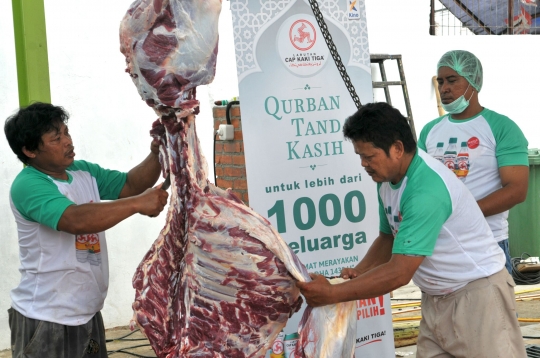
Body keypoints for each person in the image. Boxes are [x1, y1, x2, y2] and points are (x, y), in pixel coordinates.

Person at [296, 102, 526, 357]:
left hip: (477, 299)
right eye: (360, 156)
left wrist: (332, 293)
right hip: (436, 300)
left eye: (369, 156)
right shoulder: (386, 180)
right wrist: (358, 273)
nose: (363, 164)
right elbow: (387, 237)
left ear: (397, 148)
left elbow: (399, 273)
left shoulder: (425, 189)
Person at [4, 102, 169, 358]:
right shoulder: (28, 184)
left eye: (66, 133)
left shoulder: (82, 171)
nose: (68, 142)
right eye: (56, 138)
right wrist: (138, 203)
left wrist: (157, 152)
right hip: (46, 317)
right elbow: (74, 220)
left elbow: (130, 184)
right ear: (29, 150)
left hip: (87, 311)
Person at [418, 50, 529, 274]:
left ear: (474, 82)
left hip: (486, 243)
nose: (444, 88)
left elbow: (517, 190)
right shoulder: (430, 131)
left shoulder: (501, 127)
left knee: (494, 309)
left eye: (452, 80)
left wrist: (463, 214)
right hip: (440, 245)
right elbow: (419, 183)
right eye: (440, 82)